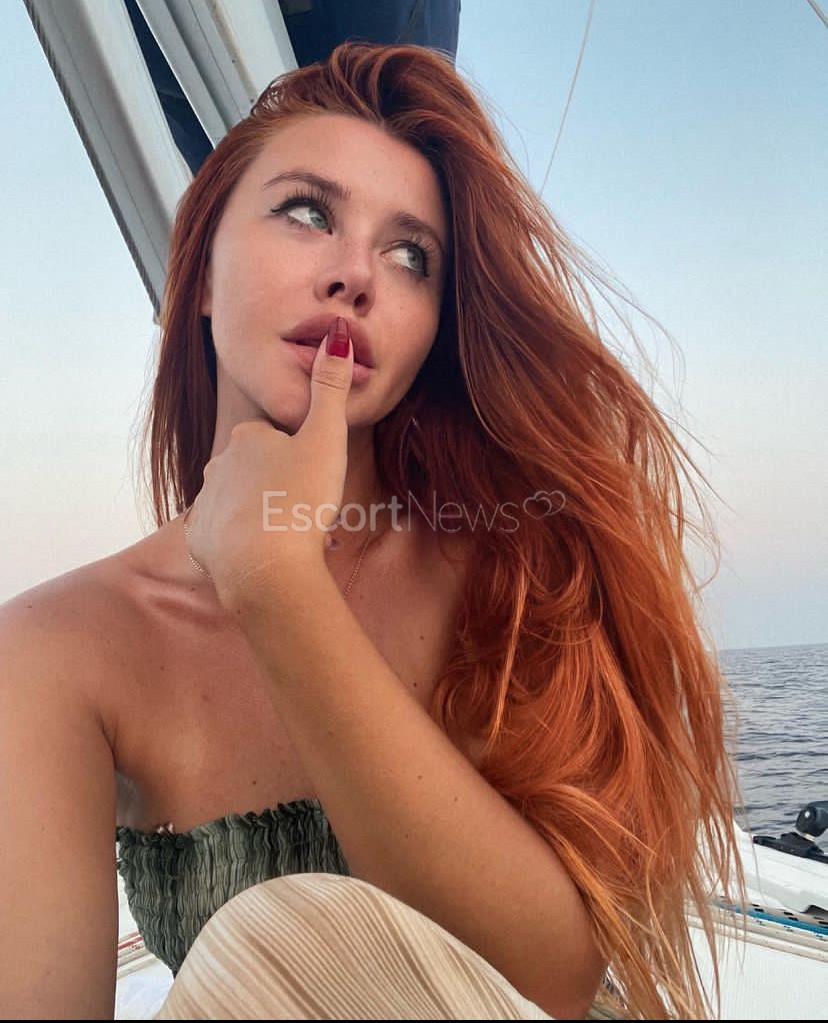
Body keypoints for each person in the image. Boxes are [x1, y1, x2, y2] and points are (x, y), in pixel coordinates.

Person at [0, 42, 742, 1020]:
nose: (357, 274)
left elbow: (549, 985)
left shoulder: (511, 565)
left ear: (431, 329)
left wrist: (276, 582)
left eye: (410, 256)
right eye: (308, 212)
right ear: (205, 270)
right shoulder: (55, 649)